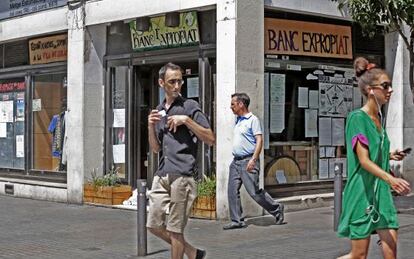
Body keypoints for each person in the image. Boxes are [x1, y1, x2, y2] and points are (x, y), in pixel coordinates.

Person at [337, 57, 411, 259]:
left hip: (382, 195)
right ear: (370, 89)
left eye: (390, 86)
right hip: (362, 193)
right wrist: (392, 179)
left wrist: (389, 155)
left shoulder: (378, 119)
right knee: (358, 256)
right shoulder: (357, 118)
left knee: (391, 252)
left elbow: (372, 153)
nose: (390, 90)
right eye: (385, 86)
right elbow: (363, 160)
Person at [147, 62, 215, 259]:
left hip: (183, 175)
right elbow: (155, 148)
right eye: (172, 82)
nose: (177, 86)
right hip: (162, 174)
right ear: (161, 83)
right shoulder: (159, 110)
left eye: (179, 81)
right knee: (153, 224)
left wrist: (186, 120)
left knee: (175, 230)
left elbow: (210, 138)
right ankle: (192, 253)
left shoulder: (190, 106)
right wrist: (150, 126)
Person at [223, 93, 284, 230]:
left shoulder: (253, 120)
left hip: (248, 160)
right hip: (236, 162)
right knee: (232, 191)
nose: (231, 107)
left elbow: (259, 140)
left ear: (241, 104)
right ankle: (236, 220)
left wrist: (253, 159)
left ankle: (276, 208)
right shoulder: (238, 120)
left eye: (233, 104)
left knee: (254, 192)